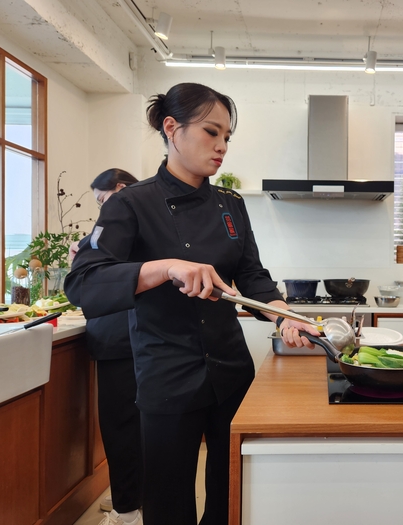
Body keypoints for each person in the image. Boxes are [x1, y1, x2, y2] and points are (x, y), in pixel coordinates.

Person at [64, 82, 319, 525]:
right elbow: (84, 284)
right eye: (211, 132)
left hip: (231, 370)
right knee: (168, 505)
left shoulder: (230, 204)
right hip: (166, 374)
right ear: (172, 128)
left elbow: (252, 276)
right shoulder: (131, 204)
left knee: (232, 495)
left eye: (227, 138)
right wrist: (164, 267)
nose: (222, 147)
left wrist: (285, 316)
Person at [70, 168, 143, 525]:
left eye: (102, 200)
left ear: (120, 189)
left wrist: (84, 256)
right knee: (137, 427)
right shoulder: (140, 218)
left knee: (121, 427)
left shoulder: (125, 218)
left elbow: (91, 284)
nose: (102, 209)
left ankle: (127, 511)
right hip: (135, 336)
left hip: (119, 337)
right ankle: (132, 500)